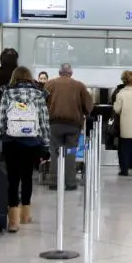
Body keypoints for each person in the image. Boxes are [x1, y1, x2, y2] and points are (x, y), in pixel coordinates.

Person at [0, 66, 50, 232]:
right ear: (30, 77)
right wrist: (45, 143)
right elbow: (44, 120)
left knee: (12, 179)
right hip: (32, 142)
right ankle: (25, 215)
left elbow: (1, 118)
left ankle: (13, 221)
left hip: (11, 141)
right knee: (27, 177)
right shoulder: (38, 94)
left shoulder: (7, 93)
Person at [44, 63, 92, 191]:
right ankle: (70, 183)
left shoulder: (50, 84)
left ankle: (54, 182)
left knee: (54, 152)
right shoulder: (79, 85)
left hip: (54, 124)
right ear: (71, 73)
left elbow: (42, 102)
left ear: (59, 73)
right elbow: (88, 105)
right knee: (71, 152)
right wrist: (84, 113)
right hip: (73, 125)